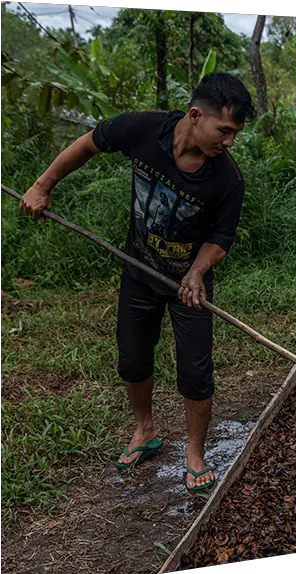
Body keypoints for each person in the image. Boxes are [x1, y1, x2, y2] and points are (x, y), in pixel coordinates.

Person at [19, 73, 256, 494]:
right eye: (225, 131)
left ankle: (195, 453)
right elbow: (88, 143)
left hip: (188, 284)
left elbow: (221, 239)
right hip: (138, 270)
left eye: (235, 134)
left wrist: (197, 271)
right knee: (131, 360)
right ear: (196, 115)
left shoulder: (227, 179)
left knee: (195, 370)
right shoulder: (143, 129)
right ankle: (145, 431)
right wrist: (42, 185)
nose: (229, 142)